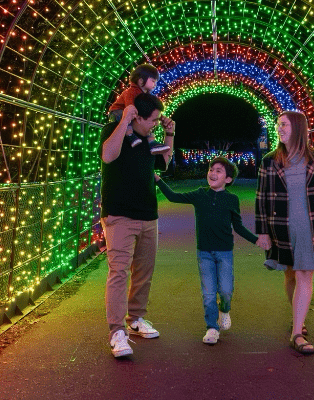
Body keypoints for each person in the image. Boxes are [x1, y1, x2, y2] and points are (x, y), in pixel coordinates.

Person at [255, 111, 314, 355]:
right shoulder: (269, 161)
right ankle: (298, 316)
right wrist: (262, 232)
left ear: (298, 128)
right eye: (278, 125)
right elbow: (261, 199)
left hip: (312, 227)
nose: (279, 128)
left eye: (284, 125)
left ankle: (297, 333)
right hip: (281, 227)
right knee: (290, 275)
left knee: (304, 274)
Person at [155, 157, 270, 344]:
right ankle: (211, 327)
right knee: (208, 293)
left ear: (228, 179)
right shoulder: (200, 194)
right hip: (204, 253)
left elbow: (238, 226)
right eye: (211, 169)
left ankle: (225, 310)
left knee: (225, 290)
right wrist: (158, 180)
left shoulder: (232, 199)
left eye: (218, 171)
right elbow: (173, 197)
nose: (213, 173)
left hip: (225, 252)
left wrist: (256, 240)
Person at [99, 92, 176, 357]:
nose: (155, 124)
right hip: (119, 214)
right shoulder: (114, 130)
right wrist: (124, 122)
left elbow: (163, 164)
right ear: (137, 117)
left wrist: (169, 134)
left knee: (144, 271)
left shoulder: (149, 140)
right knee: (119, 272)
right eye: (152, 120)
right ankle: (116, 331)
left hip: (148, 214)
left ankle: (135, 319)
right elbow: (108, 156)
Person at [108, 63, 170, 154]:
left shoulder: (146, 95)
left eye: (156, 82)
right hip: (117, 112)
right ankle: (130, 135)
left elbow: (152, 109)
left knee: (150, 121)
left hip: (132, 114)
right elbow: (130, 107)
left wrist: (158, 117)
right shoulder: (131, 92)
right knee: (129, 117)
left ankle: (152, 142)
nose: (155, 84)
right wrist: (142, 115)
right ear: (141, 81)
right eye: (153, 81)